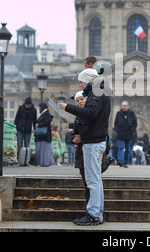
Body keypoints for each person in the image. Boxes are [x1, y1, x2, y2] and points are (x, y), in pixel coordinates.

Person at [59, 68, 111, 226]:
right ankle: (98, 213)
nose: (80, 85)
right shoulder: (100, 90)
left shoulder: (96, 91)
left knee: (92, 180)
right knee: (96, 179)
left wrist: (67, 107)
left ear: (88, 79)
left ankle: (93, 214)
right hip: (97, 140)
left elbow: (90, 113)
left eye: (81, 81)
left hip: (93, 143)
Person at [114, 101, 137, 168]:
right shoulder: (118, 114)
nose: (124, 107)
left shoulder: (132, 113)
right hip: (121, 134)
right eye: (123, 106)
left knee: (127, 150)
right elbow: (116, 123)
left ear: (128, 106)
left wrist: (131, 131)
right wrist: (118, 131)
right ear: (121, 107)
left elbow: (135, 123)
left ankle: (125, 162)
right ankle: (120, 161)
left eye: (125, 106)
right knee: (121, 148)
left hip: (129, 135)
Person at [14, 97, 37, 162]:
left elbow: (35, 120)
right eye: (26, 105)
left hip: (28, 130)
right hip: (20, 129)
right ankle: (19, 160)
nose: (27, 106)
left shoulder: (34, 110)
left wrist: (35, 129)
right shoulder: (21, 108)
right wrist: (15, 128)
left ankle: (26, 160)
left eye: (28, 105)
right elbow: (17, 118)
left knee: (27, 146)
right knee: (19, 146)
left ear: (31, 104)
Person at [34, 102, 54, 167]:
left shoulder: (46, 114)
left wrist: (39, 124)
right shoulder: (44, 114)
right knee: (43, 149)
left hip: (44, 135)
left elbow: (47, 122)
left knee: (44, 149)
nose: (39, 108)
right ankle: (43, 162)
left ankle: (45, 162)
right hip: (42, 135)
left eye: (40, 107)